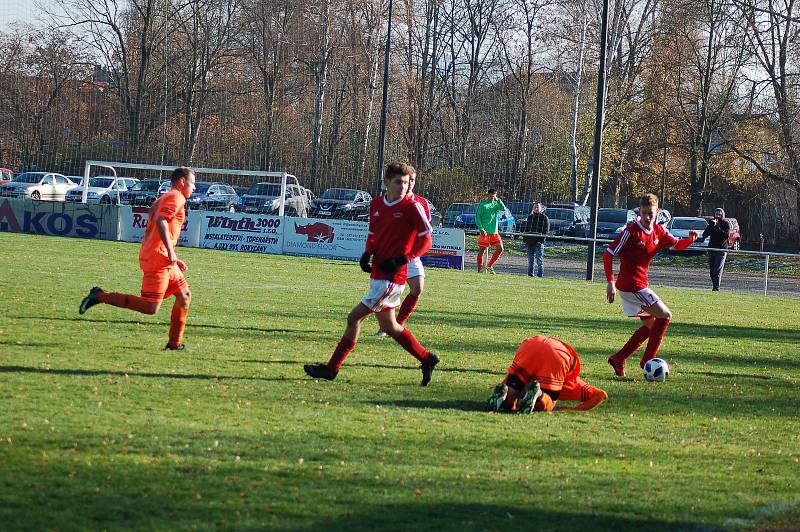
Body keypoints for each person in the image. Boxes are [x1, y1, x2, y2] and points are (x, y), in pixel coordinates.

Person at [304, 162, 440, 386]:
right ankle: (426, 358)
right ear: (386, 182)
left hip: (391, 277)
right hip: (378, 272)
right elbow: (373, 233)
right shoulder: (376, 204)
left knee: (353, 318)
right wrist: (367, 252)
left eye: (406, 183)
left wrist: (404, 258)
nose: (403, 187)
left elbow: (427, 240)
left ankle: (331, 369)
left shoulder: (412, 207)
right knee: (390, 326)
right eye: (398, 182)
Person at [78, 167, 196, 350]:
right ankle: (99, 296)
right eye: (192, 183)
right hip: (159, 258)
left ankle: (175, 344)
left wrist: (173, 255)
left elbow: (158, 226)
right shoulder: (176, 197)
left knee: (184, 295)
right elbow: (162, 221)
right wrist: (170, 252)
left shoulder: (164, 198)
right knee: (151, 307)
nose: (194, 188)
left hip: (162, 257)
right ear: (182, 181)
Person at [604, 193, 698, 378]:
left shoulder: (659, 231)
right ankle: (648, 359)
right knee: (665, 315)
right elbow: (608, 253)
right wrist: (610, 283)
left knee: (650, 325)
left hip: (639, 285)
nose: (647, 217)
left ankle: (619, 358)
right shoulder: (630, 232)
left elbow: (676, 245)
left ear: (658, 212)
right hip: (631, 285)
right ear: (639, 212)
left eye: (651, 213)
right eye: (644, 213)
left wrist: (690, 240)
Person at [487, 335, 608, 413]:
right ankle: (539, 394)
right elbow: (601, 395)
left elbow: (505, 384)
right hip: (557, 354)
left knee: (511, 398)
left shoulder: (572, 383)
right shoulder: (573, 383)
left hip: (531, 344)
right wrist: (570, 410)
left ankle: (501, 401)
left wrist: (507, 392)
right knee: (548, 406)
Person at [376, 171, 430, 337]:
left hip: (411, 255)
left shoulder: (421, 202)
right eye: (406, 180)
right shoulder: (390, 200)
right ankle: (382, 324)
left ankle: (397, 324)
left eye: (412, 180)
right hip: (393, 253)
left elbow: (425, 230)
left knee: (417, 288)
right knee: (384, 294)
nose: (409, 183)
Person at [476, 188, 507, 274]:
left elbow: (503, 209)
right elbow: (478, 217)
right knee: (481, 250)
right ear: (488, 195)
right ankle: (480, 269)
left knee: (500, 249)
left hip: (494, 232)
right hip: (485, 232)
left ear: (495, 195)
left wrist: (498, 200)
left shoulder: (496, 204)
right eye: (490, 195)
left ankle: (489, 266)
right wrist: (481, 229)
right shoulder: (483, 204)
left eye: (493, 195)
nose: (492, 197)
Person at [702, 207, 730, 291]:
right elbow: (705, 235)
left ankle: (716, 288)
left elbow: (726, 236)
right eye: (716, 214)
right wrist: (710, 226)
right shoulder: (711, 223)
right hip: (711, 249)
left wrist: (717, 226)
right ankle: (715, 286)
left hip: (721, 250)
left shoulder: (726, 224)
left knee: (717, 270)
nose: (717, 216)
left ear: (722, 215)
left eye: (719, 214)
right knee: (712, 271)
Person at [522, 202, 549, 277]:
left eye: (538, 207)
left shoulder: (544, 218)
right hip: (529, 242)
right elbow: (526, 229)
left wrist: (541, 241)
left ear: (541, 208)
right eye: (535, 207)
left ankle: (540, 275)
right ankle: (530, 274)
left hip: (538, 242)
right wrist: (525, 240)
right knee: (531, 260)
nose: (536, 208)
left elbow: (546, 231)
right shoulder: (530, 217)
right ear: (533, 208)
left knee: (539, 260)